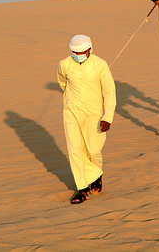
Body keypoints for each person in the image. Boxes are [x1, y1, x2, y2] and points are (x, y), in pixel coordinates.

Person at [57, 34, 116, 205]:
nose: (79, 55)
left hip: (94, 114)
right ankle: (82, 189)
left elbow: (109, 92)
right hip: (71, 112)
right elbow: (63, 84)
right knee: (75, 151)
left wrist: (108, 116)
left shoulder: (100, 65)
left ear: (90, 49)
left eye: (82, 51)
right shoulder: (64, 64)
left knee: (93, 150)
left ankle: (97, 175)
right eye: (75, 52)